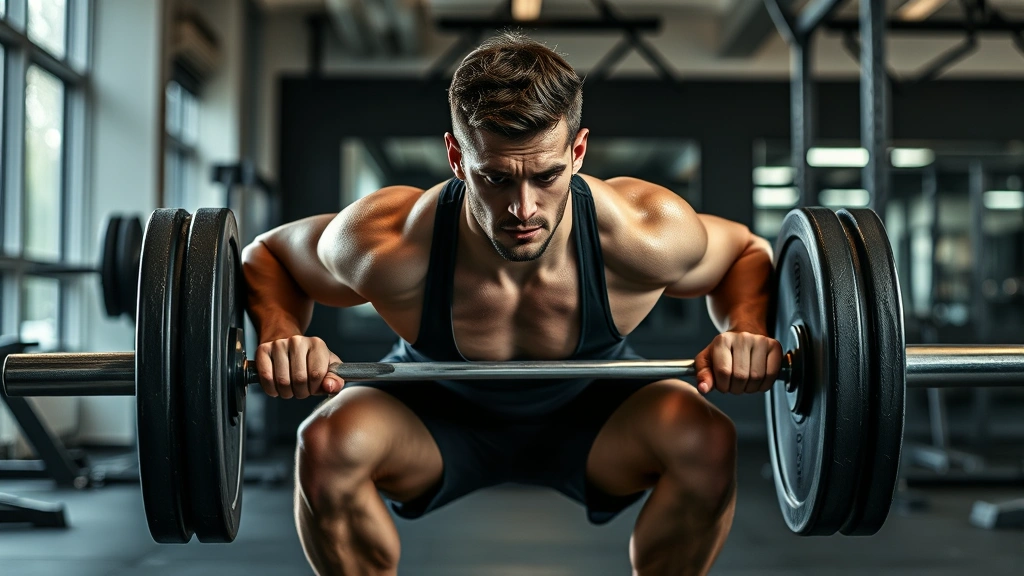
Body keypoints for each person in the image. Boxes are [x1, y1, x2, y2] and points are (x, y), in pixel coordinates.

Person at [241, 31, 781, 576]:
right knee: (327, 443)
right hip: (433, 413)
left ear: (578, 151)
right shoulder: (390, 245)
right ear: (456, 157)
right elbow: (269, 257)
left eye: (546, 176)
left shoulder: (646, 234)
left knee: (707, 440)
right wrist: (281, 333)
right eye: (495, 178)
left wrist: (748, 329)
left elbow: (745, 253)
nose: (522, 208)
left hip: (596, 414)